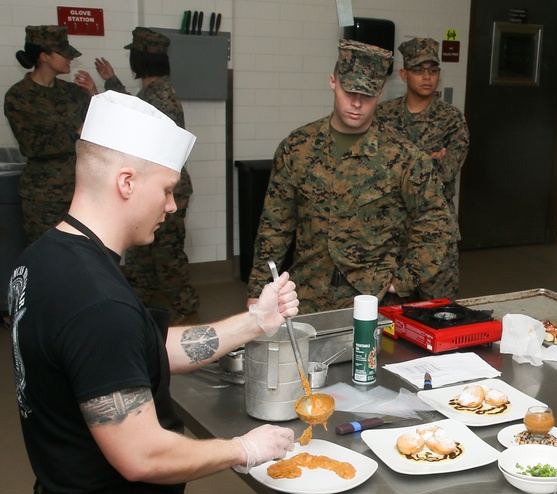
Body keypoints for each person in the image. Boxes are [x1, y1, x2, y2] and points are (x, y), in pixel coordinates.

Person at [8, 90, 298, 494]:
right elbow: (140, 455)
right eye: (166, 189)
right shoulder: (97, 303)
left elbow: (134, 353)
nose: (171, 206)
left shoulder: (47, 259)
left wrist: (255, 321)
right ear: (124, 182)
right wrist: (243, 448)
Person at [247, 39, 453, 313]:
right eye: (349, 91)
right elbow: (275, 225)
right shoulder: (298, 147)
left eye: (367, 95)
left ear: (380, 92)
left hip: (375, 301)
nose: (356, 103)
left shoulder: (403, 156)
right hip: (308, 295)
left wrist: (405, 279)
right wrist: (258, 289)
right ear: (333, 82)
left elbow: (436, 222)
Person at [81, 27, 201, 325]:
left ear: (139, 60)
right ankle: (139, 310)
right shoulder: (153, 90)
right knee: (142, 257)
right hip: (149, 187)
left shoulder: (160, 95)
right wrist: (109, 81)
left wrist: (101, 93)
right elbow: (136, 112)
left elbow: (139, 132)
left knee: (165, 255)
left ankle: (188, 310)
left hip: (161, 188)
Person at [376, 37, 469, 301]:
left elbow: (447, 171)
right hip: (390, 233)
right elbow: (374, 171)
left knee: (437, 312)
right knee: (389, 319)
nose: (427, 77)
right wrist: (428, 159)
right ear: (404, 75)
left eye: (433, 70)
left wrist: (400, 162)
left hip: (436, 233)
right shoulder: (383, 116)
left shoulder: (452, 119)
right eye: (418, 70)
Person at [4, 25, 91, 244]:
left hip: (80, 194)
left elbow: (100, 128)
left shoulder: (73, 92)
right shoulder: (19, 96)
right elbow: (32, 146)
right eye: (64, 53)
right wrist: (75, 134)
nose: (70, 58)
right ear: (44, 56)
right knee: (45, 261)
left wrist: (94, 94)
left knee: (81, 258)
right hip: (43, 199)